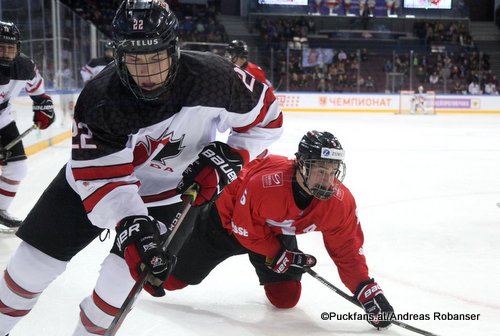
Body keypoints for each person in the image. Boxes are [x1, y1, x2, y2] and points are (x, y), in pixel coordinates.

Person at [0, 1, 282, 335]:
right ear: (118, 55)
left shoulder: (215, 77)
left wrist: (233, 155)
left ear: (173, 50)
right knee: (28, 270)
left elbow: (267, 118)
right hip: (91, 186)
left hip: (171, 195)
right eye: (134, 59)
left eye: (155, 57)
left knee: (117, 288)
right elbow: (103, 176)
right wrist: (132, 221)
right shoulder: (101, 97)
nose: (146, 72)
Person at [164, 130, 394, 330]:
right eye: (320, 170)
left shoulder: (339, 202)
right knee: (169, 282)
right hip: (226, 225)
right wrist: (277, 253)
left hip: (275, 230)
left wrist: (366, 289)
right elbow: (242, 229)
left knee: (286, 298)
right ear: (301, 165)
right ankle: (184, 226)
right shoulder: (266, 186)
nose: (327, 180)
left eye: (332, 171)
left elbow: (347, 249)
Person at [0, 21, 55, 232]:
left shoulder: (25, 66)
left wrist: (43, 106)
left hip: (2, 117)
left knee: (18, 167)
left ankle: (1, 209)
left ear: (18, 48)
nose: (5, 53)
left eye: (10, 47)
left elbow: (39, 93)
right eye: (1, 47)